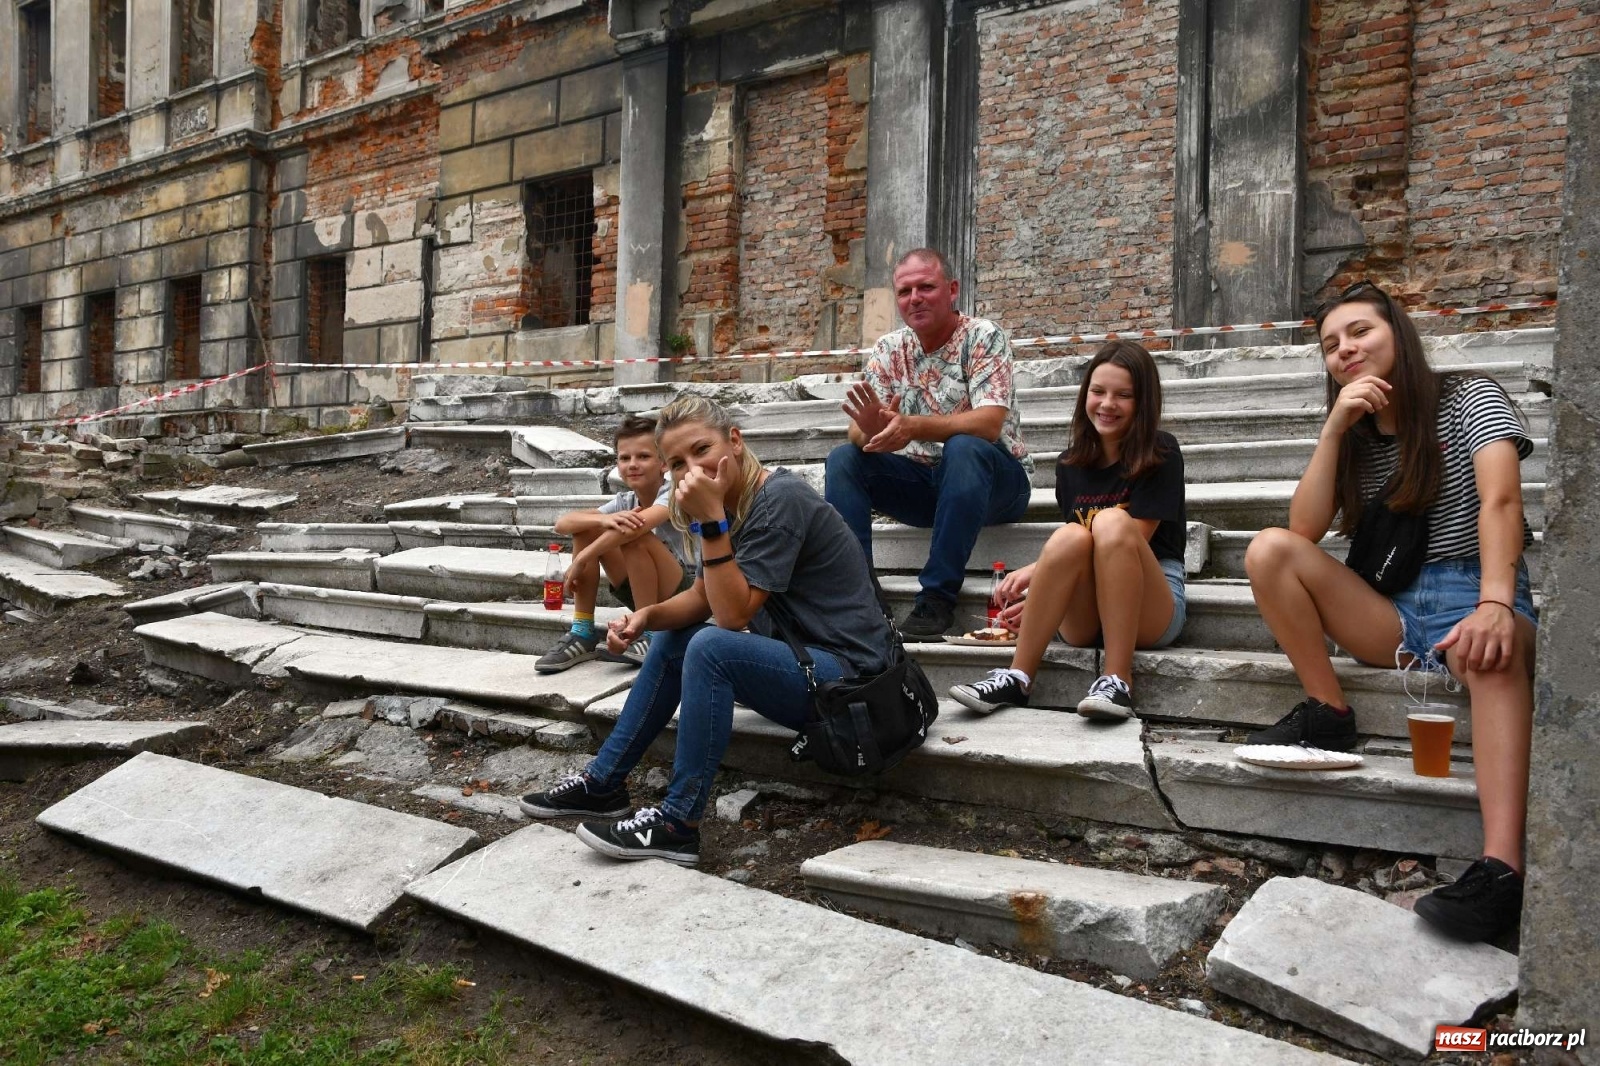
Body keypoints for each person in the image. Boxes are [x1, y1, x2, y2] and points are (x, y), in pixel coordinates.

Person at [1243, 281, 1536, 942]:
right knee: (1268, 551)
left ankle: (1501, 872)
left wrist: (1495, 602)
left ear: (1396, 333)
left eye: (1360, 332)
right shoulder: (1354, 431)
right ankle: (1329, 710)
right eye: (1330, 344)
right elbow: (1303, 530)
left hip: (1475, 589)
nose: (1345, 350)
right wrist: (1333, 429)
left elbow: (1501, 501)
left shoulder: (1469, 396)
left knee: (1484, 649)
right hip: (1395, 614)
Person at [518, 395, 894, 866]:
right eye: (677, 462)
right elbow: (702, 597)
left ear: (734, 442)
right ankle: (603, 783)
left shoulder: (779, 500)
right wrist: (646, 617)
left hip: (854, 683)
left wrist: (712, 522)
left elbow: (733, 616)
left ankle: (678, 823)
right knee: (679, 635)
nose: (690, 469)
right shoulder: (724, 505)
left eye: (701, 450)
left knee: (711, 645)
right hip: (807, 668)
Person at [948, 341, 1187, 720]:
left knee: (1109, 521)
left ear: (1144, 402)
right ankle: (1017, 676)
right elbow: (1076, 552)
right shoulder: (1071, 463)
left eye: (1123, 395)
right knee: (1070, 535)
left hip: (1152, 603)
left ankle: (1117, 679)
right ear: (1084, 395)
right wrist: (1046, 596)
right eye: (1098, 391)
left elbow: (1130, 540)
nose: (1107, 404)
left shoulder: (1161, 453)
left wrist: (1034, 572)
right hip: (1089, 607)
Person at [824, 248, 1033, 639]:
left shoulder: (983, 336)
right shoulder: (888, 349)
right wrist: (869, 426)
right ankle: (860, 600)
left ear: (952, 290)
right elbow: (858, 434)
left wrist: (911, 426)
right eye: (904, 291)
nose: (914, 298)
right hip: (929, 486)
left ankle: (936, 599)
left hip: (997, 482)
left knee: (965, 447)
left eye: (926, 287)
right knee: (843, 460)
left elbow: (988, 424)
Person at [535, 415, 690, 673]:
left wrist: (583, 558)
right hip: (646, 596)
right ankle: (582, 631)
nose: (633, 465)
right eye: (624, 458)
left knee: (633, 536)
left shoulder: (675, 491)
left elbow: (637, 527)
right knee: (588, 528)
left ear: (663, 463)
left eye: (643, 456)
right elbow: (563, 524)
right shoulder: (625, 500)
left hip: (686, 595)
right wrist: (605, 519)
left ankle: (649, 635)